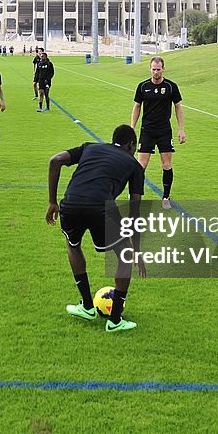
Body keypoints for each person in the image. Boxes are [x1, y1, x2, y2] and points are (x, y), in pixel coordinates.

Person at [46, 124, 146, 332]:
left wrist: (52, 202)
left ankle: (87, 307)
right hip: (100, 207)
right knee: (124, 255)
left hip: (70, 203)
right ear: (131, 145)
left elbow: (55, 160)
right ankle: (115, 320)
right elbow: (135, 209)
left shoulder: (90, 147)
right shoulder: (135, 165)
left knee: (73, 245)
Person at [130, 57, 186, 209]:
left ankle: (166, 197)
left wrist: (181, 129)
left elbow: (178, 107)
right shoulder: (142, 87)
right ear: (150, 69)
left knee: (167, 165)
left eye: (158, 69)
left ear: (163, 69)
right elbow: (137, 107)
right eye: (154, 69)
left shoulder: (170, 86)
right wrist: (132, 127)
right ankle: (135, 196)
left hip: (164, 131)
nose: (156, 72)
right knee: (141, 165)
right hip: (147, 130)